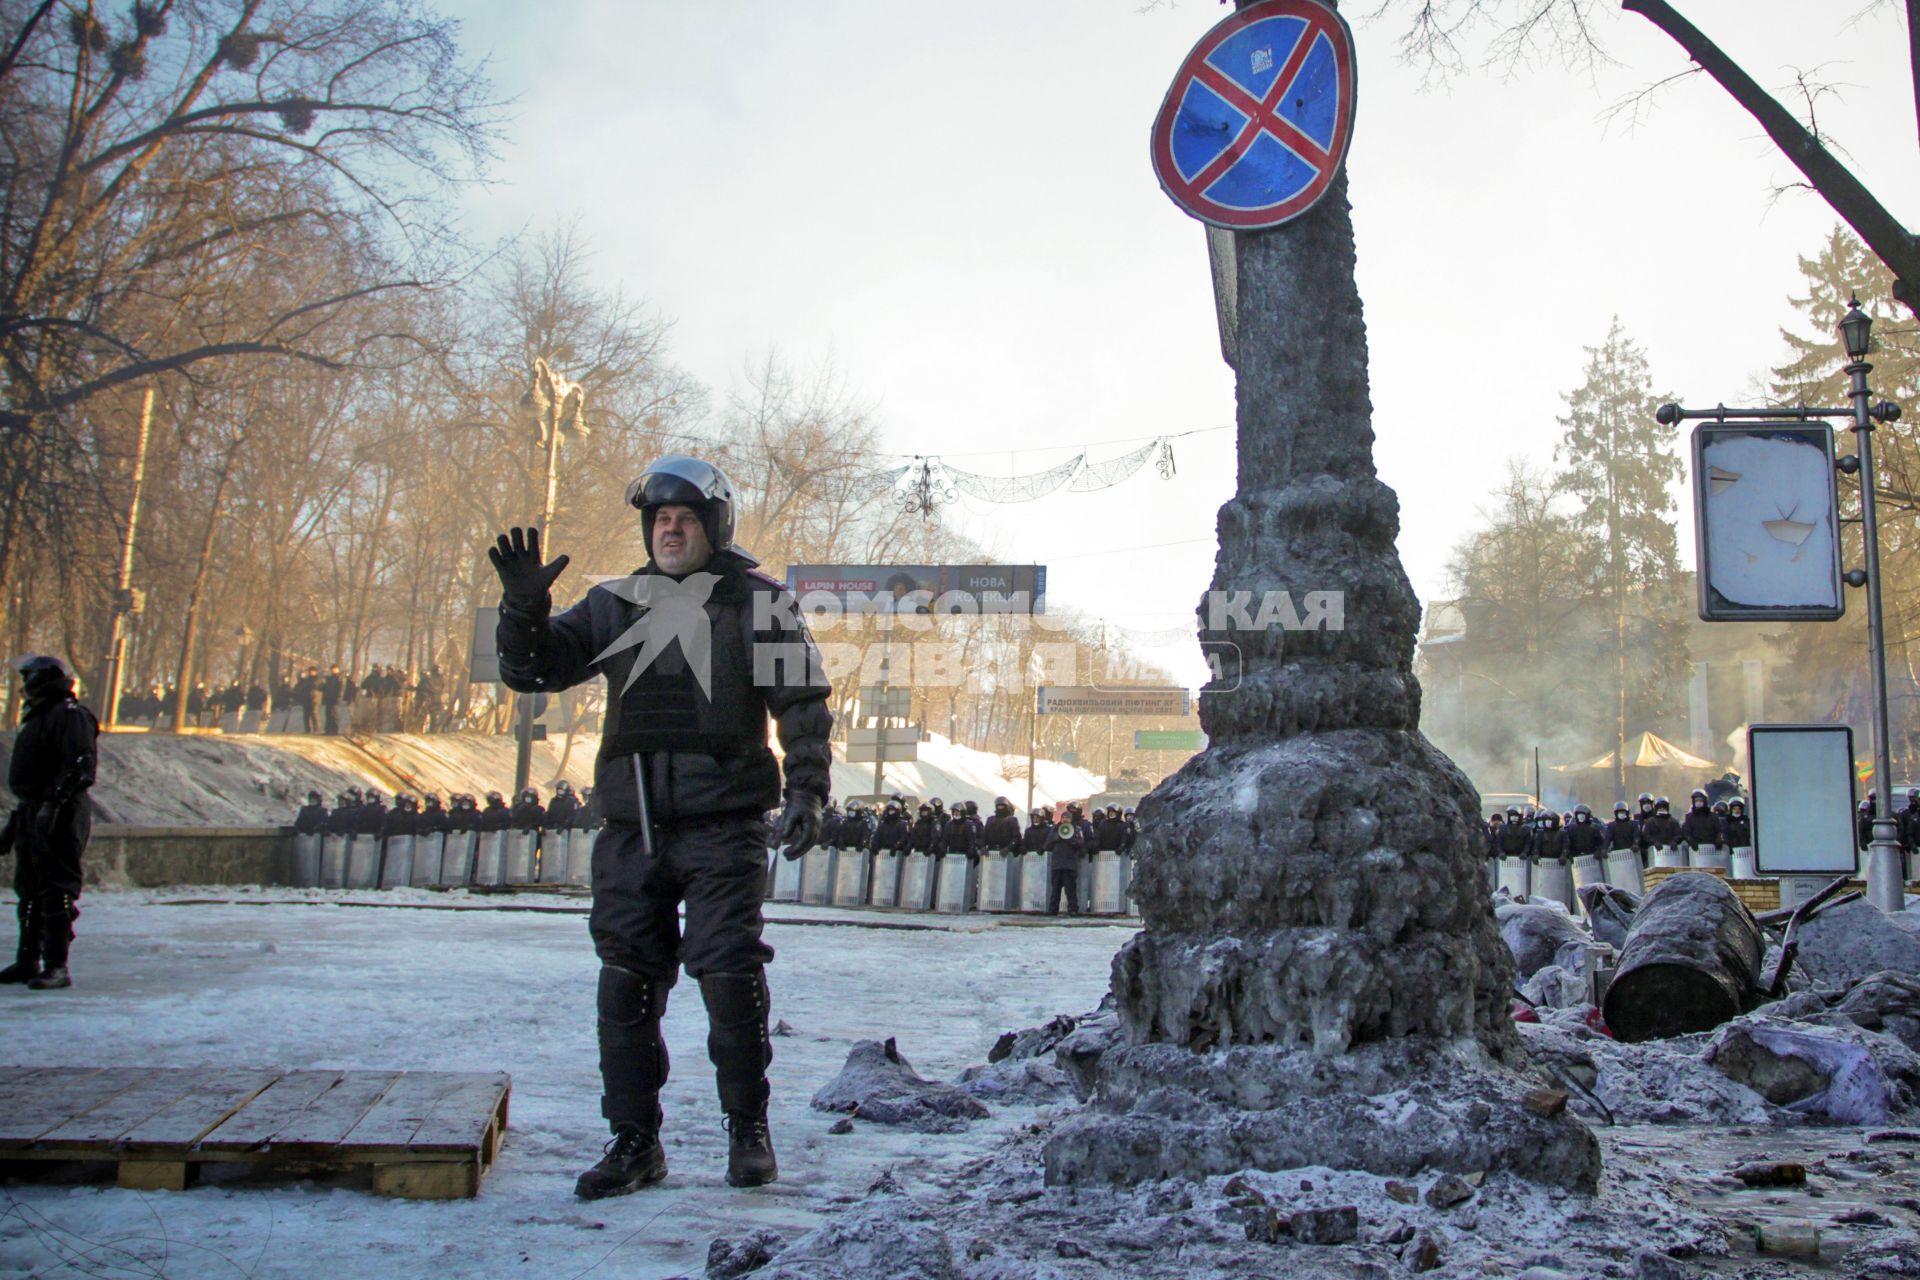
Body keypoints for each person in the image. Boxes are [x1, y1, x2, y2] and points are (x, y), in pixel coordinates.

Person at [489, 454, 831, 1198]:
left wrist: (807, 792)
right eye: (660, 521)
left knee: (728, 974)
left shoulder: (761, 603)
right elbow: (536, 670)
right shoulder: (615, 604)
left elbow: (801, 706)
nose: (670, 531)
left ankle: (748, 1131)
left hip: (725, 826)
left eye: (684, 519)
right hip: (632, 827)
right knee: (625, 982)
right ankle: (634, 1142)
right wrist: (522, 612)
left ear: (715, 525)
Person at [1, 656, 98, 989]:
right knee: (29, 889)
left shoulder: (70, 717)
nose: (25, 687)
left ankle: (57, 963)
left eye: (29, 679)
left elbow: (81, 766)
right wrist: (17, 824)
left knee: (57, 888)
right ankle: (28, 959)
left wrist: (54, 803)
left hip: (62, 811)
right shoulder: (41, 718)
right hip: (35, 808)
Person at [1044, 809, 1086, 915]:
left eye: (1067, 818)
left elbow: (1081, 844)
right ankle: (1053, 909)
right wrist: (1057, 836)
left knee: (1070, 889)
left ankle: (1073, 909)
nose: (1065, 820)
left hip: (1069, 864)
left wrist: (1071, 840)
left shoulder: (1076, 829)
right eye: (1063, 818)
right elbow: (1047, 845)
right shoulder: (1054, 829)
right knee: (1055, 889)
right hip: (1057, 864)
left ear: (1071, 820)